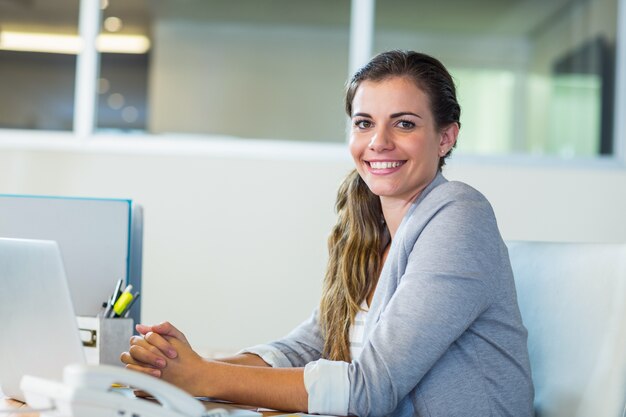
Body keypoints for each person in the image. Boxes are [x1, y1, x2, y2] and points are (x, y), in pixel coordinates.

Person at [121, 50, 535, 416]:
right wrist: (175, 371)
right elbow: (308, 347)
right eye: (364, 123)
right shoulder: (368, 230)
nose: (379, 142)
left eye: (404, 124)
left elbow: (370, 388)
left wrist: (204, 378)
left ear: (445, 137)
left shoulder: (460, 216)